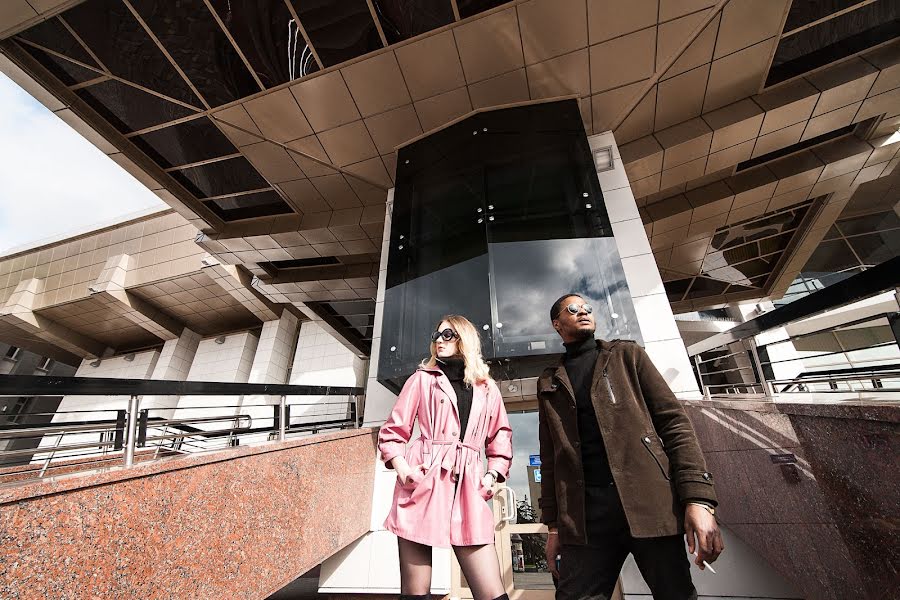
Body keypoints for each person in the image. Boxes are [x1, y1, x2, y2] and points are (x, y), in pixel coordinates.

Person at [538, 294, 723, 600]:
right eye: (573, 309)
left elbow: (675, 424)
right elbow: (550, 458)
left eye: (586, 308)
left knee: (675, 594)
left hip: (649, 504)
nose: (583, 312)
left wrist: (699, 500)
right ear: (557, 324)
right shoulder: (549, 382)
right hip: (586, 518)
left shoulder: (627, 355)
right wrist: (554, 526)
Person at [379, 315, 513, 600]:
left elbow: (500, 434)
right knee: (415, 594)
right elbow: (393, 431)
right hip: (422, 484)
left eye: (448, 334)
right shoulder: (421, 380)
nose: (439, 340)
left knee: (493, 594)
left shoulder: (486, 387)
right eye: (436, 335)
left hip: (468, 487)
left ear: (464, 338)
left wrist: (491, 474)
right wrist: (404, 470)